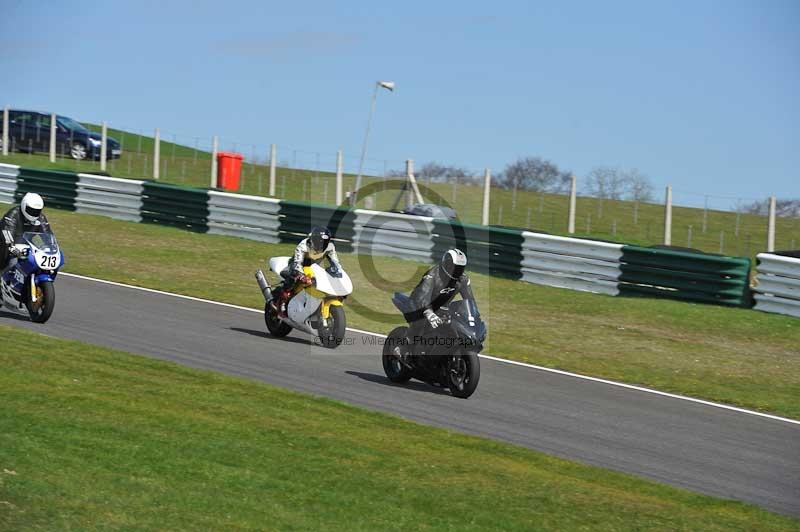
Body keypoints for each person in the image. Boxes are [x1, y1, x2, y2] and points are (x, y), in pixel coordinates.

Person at [274, 226, 343, 318]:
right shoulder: (303, 245)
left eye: (324, 242)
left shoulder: (330, 247)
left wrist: (338, 272)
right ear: (313, 239)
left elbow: (336, 263)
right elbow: (297, 262)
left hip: (313, 268)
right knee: (294, 277)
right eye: (319, 242)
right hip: (297, 266)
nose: (321, 245)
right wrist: (301, 275)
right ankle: (282, 300)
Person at [406, 248, 474, 341]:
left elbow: (469, 300)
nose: (457, 271)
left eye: (460, 268)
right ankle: (406, 343)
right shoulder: (432, 275)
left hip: (442, 308)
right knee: (421, 322)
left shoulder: (462, 279)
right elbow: (423, 296)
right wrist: (429, 313)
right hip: (418, 303)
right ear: (446, 264)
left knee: (455, 328)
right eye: (454, 267)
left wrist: (472, 317)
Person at [0, 192, 51, 272]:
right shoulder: (13, 215)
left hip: (24, 248)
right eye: (31, 210)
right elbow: (7, 234)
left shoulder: (41, 218)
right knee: (12, 263)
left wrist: (49, 247)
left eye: (36, 211)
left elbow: (47, 234)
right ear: (24, 206)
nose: (33, 213)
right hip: (5, 244)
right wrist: (12, 247)